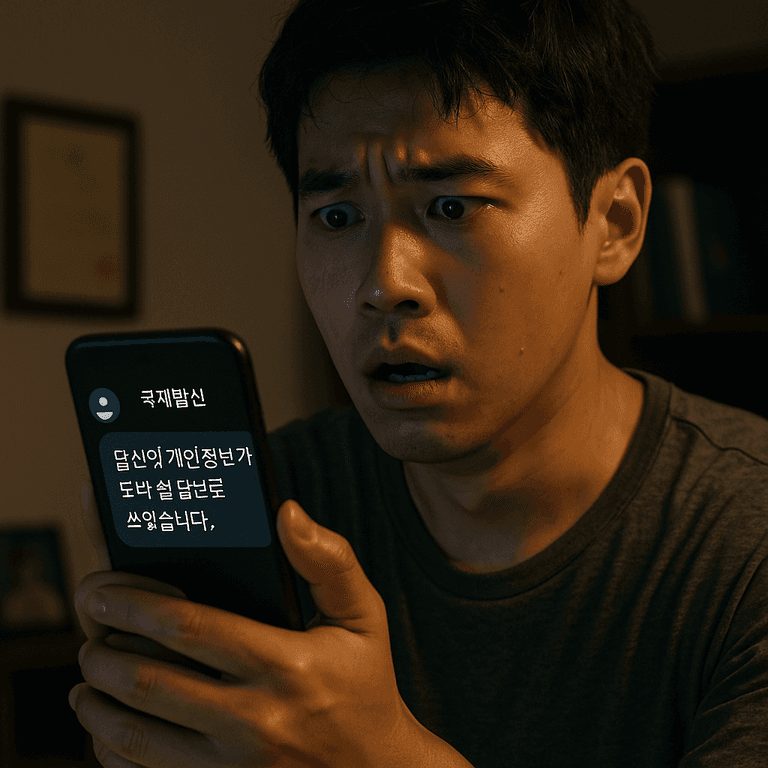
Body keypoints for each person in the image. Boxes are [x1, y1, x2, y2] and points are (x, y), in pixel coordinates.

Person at [70, 1, 768, 766]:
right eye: (337, 217)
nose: (384, 284)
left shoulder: (744, 539)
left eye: (451, 207)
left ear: (616, 222)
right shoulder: (279, 505)